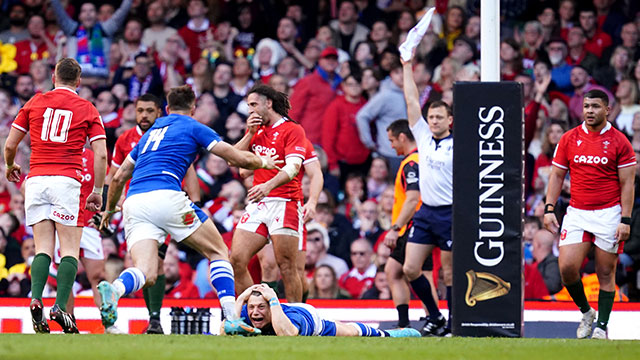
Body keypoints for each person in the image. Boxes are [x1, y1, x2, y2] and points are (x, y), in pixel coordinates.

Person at [96, 85, 281, 336]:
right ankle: (231, 318)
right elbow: (233, 157)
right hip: (166, 195)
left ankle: (115, 290)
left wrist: (108, 210)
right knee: (218, 252)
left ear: (167, 109)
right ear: (193, 109)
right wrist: (263, 162)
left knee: (147, 273)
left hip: (134, 202)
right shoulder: (192, 126)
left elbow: (118, 178)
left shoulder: (148, 135)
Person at [3, 58, 108, 333]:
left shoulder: (35, 102)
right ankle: (60, 306)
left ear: (53, 77)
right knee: (70, 250)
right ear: (79, 81)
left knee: (43, 248)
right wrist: (97, 191)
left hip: (36, 179)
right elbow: (101, 153)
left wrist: (10, 165)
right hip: (67, 180)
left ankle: (36, 298)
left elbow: (11, 144)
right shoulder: (87, 108)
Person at [544, 89, 636, 339]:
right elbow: (557, 175)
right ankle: (586, 311)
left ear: (607, 109)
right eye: (586, 106)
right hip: (577, 212)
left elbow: (628, 183)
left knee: (606, 272)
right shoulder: (569, 138)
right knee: (567, 268)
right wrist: (549, 208)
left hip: (609, 213)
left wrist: (625, 220)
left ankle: (602, 327)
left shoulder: (620, 141)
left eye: (595, 106)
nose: (589, 111)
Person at [229, 84, 307, 303]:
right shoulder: (257, 131)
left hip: (285, 202)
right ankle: (256, 311)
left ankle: (296, 320)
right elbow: (236, 164)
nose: (250, 111)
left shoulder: (293, 130)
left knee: (287, 266)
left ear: (268, 104)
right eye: (248, 106)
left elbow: (292, 168)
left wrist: (267, 186)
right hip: (259, 203)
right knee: (236, 260)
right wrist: (250, 134)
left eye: (254, 105)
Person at [105, 93, 170, 334]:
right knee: (144, 265)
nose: (143, 115)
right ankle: (138, 314)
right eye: (140, 110)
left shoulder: (167, 137)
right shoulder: (124, 140)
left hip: (164, 205)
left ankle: (154, 319)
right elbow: (114, 177)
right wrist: (115, 202)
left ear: (159, 112)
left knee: (158, 264)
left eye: (149, 111)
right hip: (133, 210)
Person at [402, 53, 453, 336]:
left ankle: (455, 320)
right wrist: (406, 65)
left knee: (448, 273)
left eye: (438, 117)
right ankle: (435, 316)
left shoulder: (458, 145)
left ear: (450, 120)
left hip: (449, 212)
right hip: (427, 211)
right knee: (410, 268)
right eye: (430, 116)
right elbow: (411, 101)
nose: (432, 120)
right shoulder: (422, 135)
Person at [383, 119, 435, 328]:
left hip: (413, 226)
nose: (392, 145)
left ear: (402, 137)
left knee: (417, 272)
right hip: (419, 224)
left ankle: (432, 318)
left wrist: (395, 228)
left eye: (392, 140)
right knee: (394, 271)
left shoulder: (411, 163)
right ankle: (410, 321)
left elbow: (413, 199)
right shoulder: (421, 159)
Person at [226, 283, 420, 337]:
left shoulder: (293, 318)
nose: (254, 312)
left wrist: (274, 300)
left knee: (349, 332)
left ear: (270, 307)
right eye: (251, 307)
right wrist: (242, 297)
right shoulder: (247, 312)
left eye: (261, 307)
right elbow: (225, 329)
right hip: (281, 310)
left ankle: (387, 335)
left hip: (307, 316)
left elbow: (287, 334)